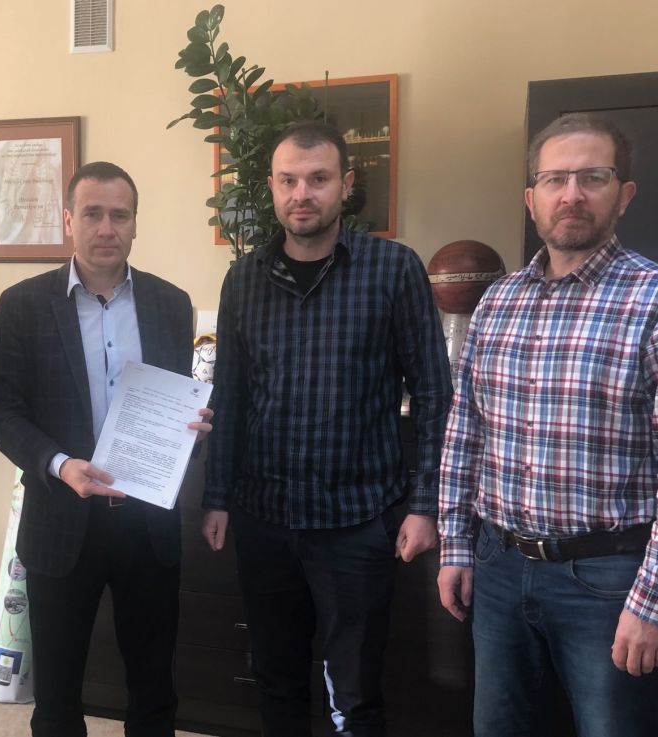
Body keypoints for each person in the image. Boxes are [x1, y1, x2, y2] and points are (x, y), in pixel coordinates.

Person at [436, 113, 658, 737]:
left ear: (623, 194)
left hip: (606, 581)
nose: (571, 194)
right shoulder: (498, 302)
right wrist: (456, 546)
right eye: (555, 179)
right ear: (532, 199)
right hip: (497, 566)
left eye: (592, 177)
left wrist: (656, 603)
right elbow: (466, 430)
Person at [203, 121, 452, 737]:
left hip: (357, 523)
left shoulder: (393, 269)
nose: (302, 194)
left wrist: (426, 506)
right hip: (264, 517)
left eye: (317, 179)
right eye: (288, 180)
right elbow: (230, 396)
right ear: (271, 187)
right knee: (276, 681)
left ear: (345, 184)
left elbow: (433, 395)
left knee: (356, 694)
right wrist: (217, 497)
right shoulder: (244, 279)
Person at [0, 161, 213, 737]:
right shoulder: (24, 304)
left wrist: (192, 426)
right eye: (92, 214)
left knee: (154, 690)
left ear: (135, 223)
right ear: (69, 220)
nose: (107, 228)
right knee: (58, 699)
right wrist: (61, 465)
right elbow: (5, 415)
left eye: (120, 215)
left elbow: (175, 403)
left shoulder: (170, 303)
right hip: (62, 522)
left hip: (147, 525)